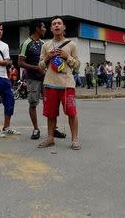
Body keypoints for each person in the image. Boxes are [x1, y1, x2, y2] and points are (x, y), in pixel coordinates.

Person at [19, 19, 66, 140]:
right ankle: (36, 129)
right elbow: (20, 62)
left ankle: (53, 130)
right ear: (37, 28)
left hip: (46, 79)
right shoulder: (26, 43)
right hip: (33, 79)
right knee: (33, 104)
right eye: (44, 27)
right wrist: (37, 68)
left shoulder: (43, 43)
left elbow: (48, 60)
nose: (45, 29)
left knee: (51, 104)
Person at [38, 16, 80, 150]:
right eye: (54, 24)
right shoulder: (46, 46)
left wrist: (67, 56)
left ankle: (74, 139)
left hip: (67, 85)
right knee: (50, 114)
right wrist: (47, 57)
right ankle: (50, 138)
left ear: (64, 27)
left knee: (72, 113)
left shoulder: (71, 45)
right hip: (50, 84)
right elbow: (40, 67)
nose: (56, 26)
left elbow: (77, 66)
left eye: (59, 23)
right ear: (51, 28)